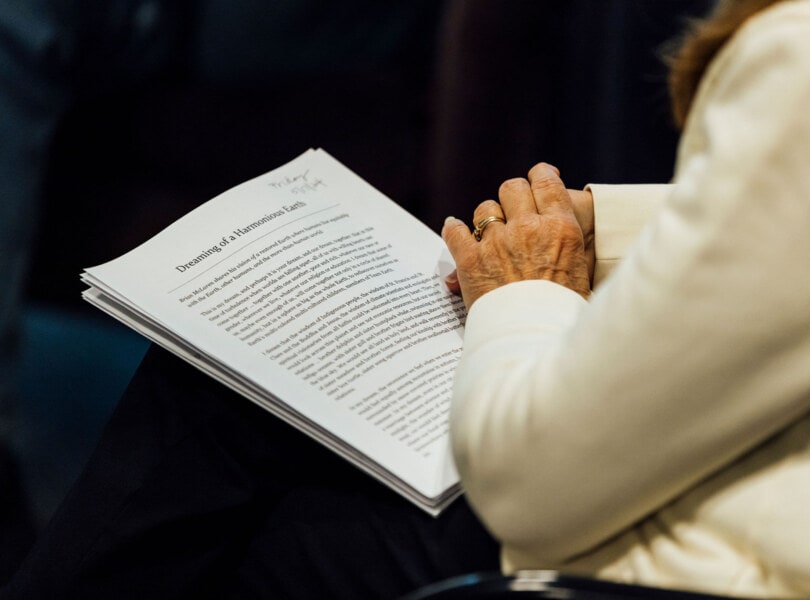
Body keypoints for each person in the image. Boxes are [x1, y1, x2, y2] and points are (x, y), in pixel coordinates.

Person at [4, 0, 810, 598]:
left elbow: (532, 499)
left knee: (242, 497)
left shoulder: (791, 60)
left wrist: (525, 292)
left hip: (712, 558)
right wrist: (613, 222)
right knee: (229, 416)